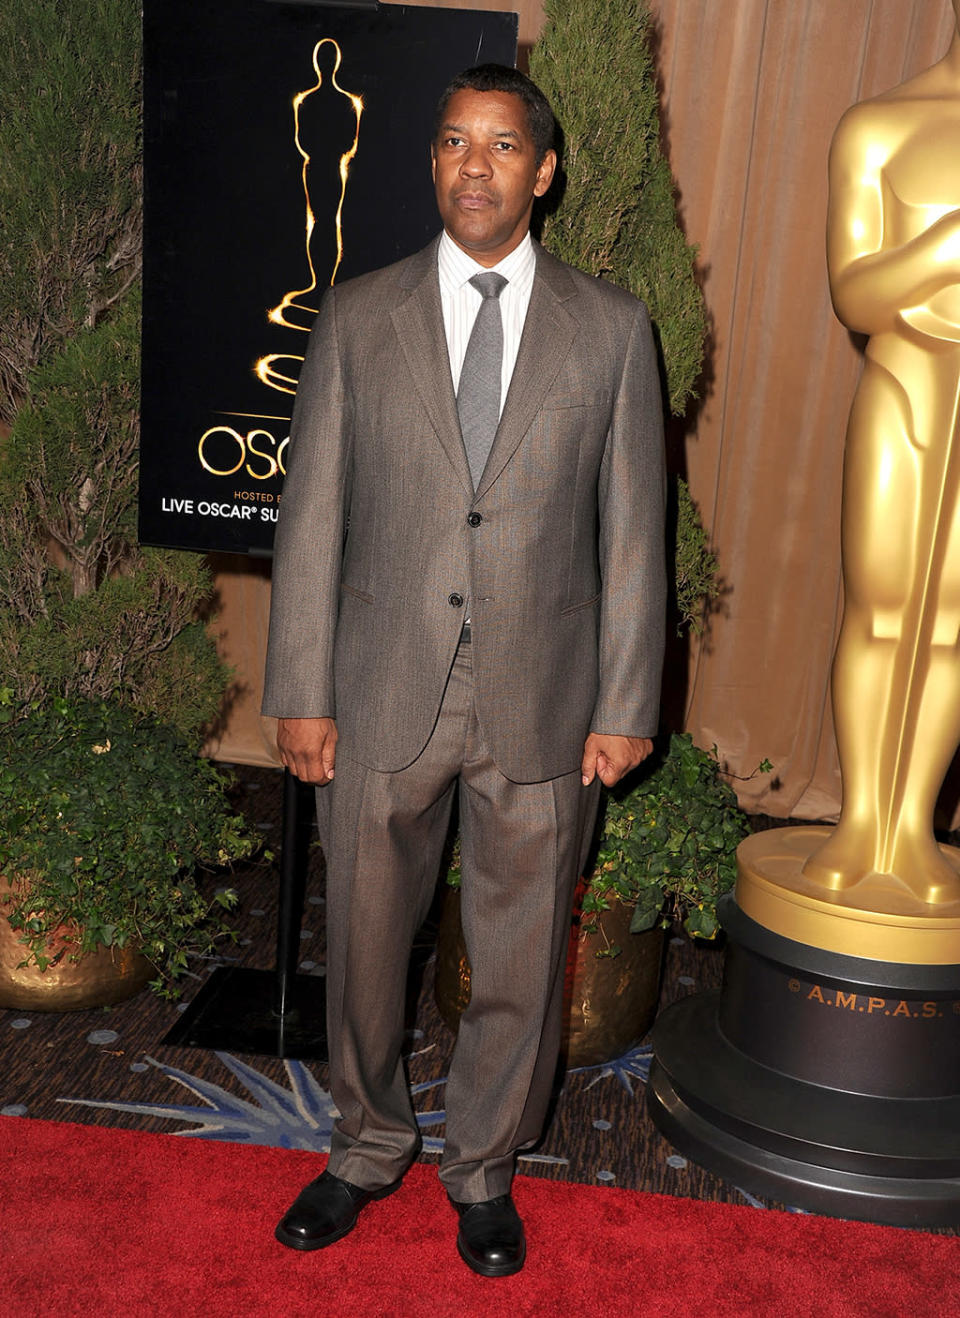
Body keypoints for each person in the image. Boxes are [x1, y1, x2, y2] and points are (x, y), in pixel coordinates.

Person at [262, 63, 666, 1276]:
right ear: (431, 162)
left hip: (545, 702)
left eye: (500, 145)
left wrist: (627, 700)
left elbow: (636, 530)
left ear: (543, 173)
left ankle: (485, 1167)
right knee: (369, 944)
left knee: (523, 952)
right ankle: (364, 1145)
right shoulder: (358, 315)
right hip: (383, 686)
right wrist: (301, 687)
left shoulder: (611, 328)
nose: (473, 164)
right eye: (451, 141)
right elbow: (312, 516)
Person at [803, 1, 960, 906]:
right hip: (902, 390)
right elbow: (856, 293)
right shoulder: (879, 127)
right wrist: (943, 245)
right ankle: (862, 819)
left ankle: (913, 831)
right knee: (882, 607)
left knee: (948, 624)